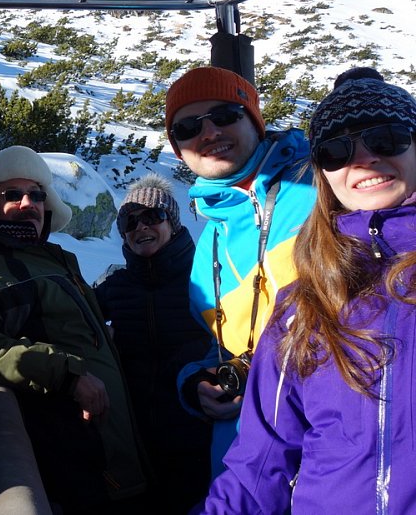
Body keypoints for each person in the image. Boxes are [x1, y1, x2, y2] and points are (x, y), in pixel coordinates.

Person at [199, 67, 416, 512]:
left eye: (386, 138)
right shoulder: (306, 302)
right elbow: (259, 467)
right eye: (337, 150)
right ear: (323, 174)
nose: (362, 159)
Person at [0, 145, 146, 513]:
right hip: (67, 458)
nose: (28, 203)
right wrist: (65, 373)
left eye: (36, 194)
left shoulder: (45, 257)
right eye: (12, 194)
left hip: (107, 450)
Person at [165, 65, 316, 476]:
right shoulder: (207, 252)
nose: (209, 132)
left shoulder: (324, 185)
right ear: (178, 149)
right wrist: (197, 383)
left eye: (225, 115)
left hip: (334, 456)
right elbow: (218, 348)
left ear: (254, 119)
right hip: (246, 469)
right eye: (188, 127)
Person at [94, 173, 212, 513]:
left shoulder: (204, 276)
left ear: (172, 223)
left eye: (152, 216)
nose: (141, 227)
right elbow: (73, 322)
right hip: (134, 439)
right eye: (130, 222)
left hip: (196, 434)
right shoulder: (114, 284)